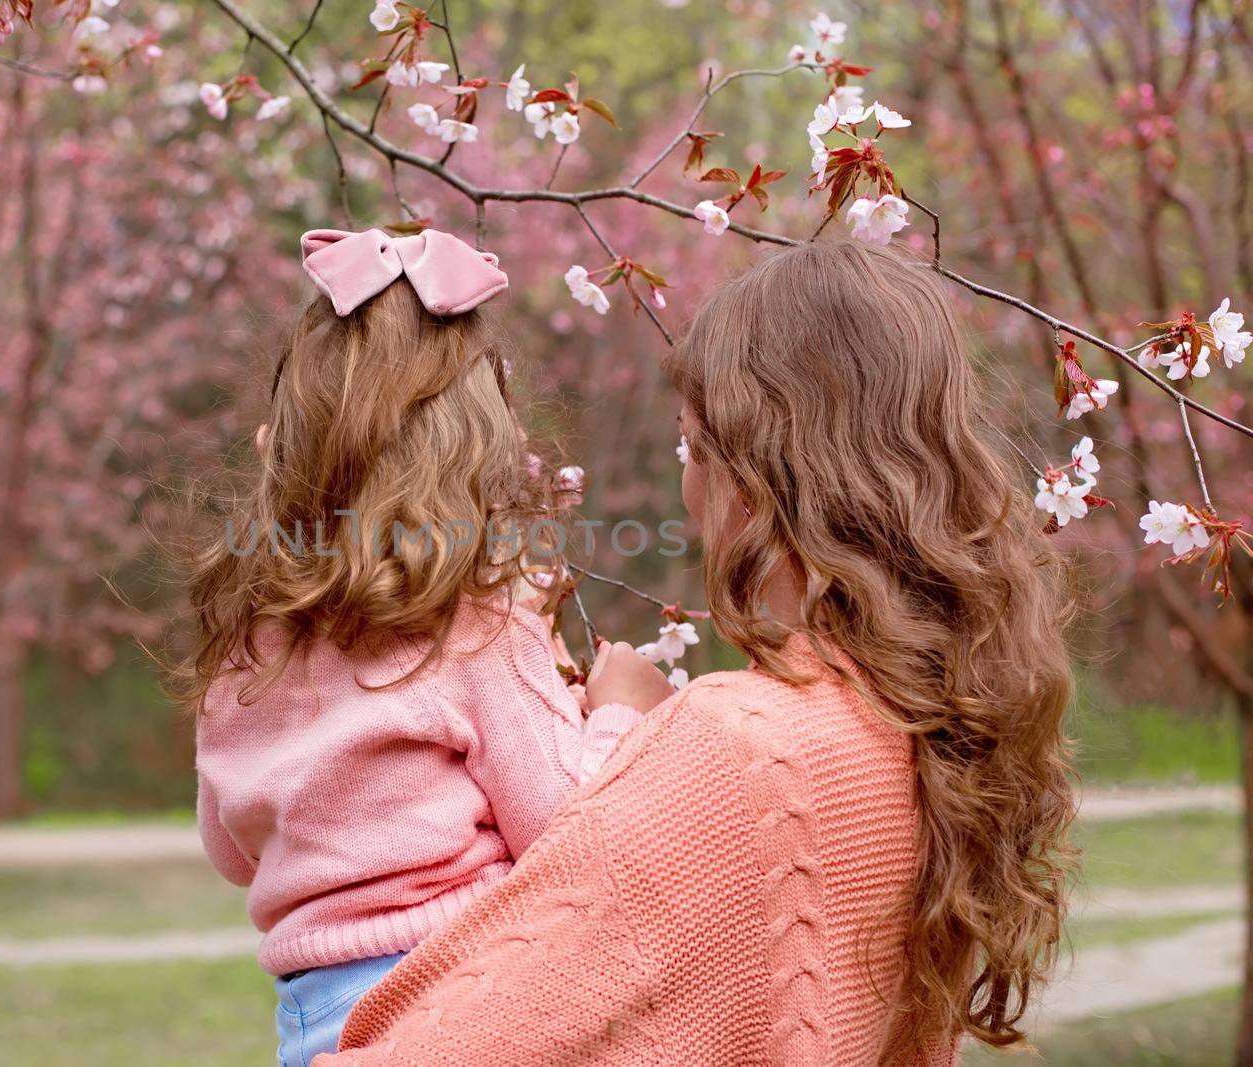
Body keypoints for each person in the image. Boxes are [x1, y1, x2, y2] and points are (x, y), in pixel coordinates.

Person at [317, 239, 1076, 1065]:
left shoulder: (740, 746)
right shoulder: (932, 732)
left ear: (752, 469)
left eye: (691, 446)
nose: (688, 489)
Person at [178, 227, 646, 1067]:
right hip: (468, 1006)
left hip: (313, 1018)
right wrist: (616, 717)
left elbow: (231, 849)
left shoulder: (250, 642)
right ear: (477, 449)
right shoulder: (479, 626)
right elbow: (570, 834)